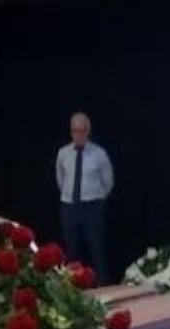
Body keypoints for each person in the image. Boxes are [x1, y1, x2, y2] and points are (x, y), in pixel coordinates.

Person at [56, 112, 114, 284]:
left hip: (92, 208)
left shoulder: (99, 154)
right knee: (72, 252)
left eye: (82, 131)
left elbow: (108, 181)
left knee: (97, 251)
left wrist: (97, 199)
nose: (78, 135)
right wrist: (69, 196)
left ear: (88, 131)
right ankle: (73, 290)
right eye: (75, 131)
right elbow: (61, 179)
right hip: (69, 207)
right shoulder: (63, 153)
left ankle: (104, 288)